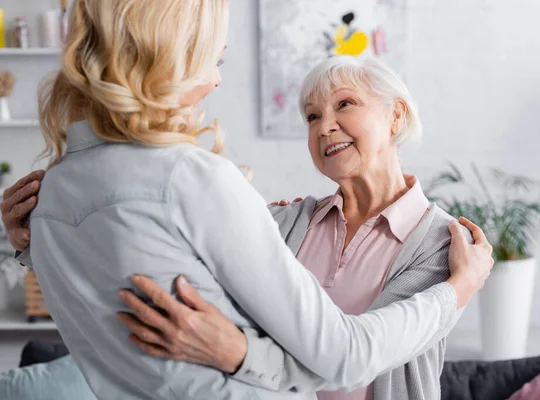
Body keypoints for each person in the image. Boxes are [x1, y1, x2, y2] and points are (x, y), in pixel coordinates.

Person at [0, 1, 493, 400]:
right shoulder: (285, 219)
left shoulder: (442, 242)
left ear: (395, 117)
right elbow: (130, 249)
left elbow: (354, 363)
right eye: (310, 116)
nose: (325, 126)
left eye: (345, 105)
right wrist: (34, 241)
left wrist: (236, 352)